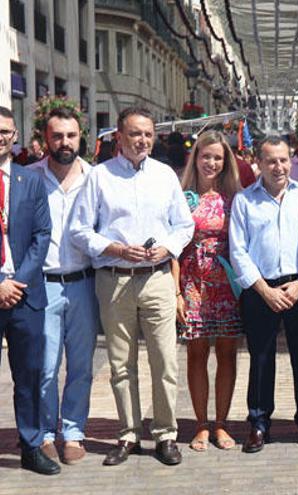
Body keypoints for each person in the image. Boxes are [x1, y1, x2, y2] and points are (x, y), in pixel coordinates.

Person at [69, 107, 194, 467]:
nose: (142, 141)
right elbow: (80, 230)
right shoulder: (100, 177)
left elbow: (183, 225)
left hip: (156, 278)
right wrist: (116, 249)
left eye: (148, 135)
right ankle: (128, 434)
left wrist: (168, 247)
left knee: (165, 361)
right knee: (121, 364)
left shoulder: (165, 175)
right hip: (115, 280)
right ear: (119, 138)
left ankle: (166, 434)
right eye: (135, 134)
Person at [230, 136, 298, 454]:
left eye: (284, 159)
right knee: (260, 358)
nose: (279, 166)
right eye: (271, 160)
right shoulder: (244, 201)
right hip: (261, 288)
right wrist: (263, 290)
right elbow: (238, 252)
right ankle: (258, 423)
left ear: (291, 159)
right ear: (259, 162)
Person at [28, 107, 99, 467]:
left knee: (82, 364)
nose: (65, 143)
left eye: (71, 136)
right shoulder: (29, 178)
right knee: (45, 366)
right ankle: (45, 433)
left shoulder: (96, 177)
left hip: (85, 283)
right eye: (57, 136)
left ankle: (73, 430)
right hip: (44, 285)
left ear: (80, 137)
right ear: (45, 138)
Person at [171, 130, 243, 452]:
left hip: (227, 283)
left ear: (225, 161)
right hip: (193, 282)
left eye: (217, 157)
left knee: (227, 354)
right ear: (195, 158)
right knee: (196, 354)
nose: (211, 162)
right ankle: (201, 424)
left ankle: (222, 424)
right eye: (205, 156)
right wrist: (176, 292)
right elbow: (173, 246)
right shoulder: (181, 195)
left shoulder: (235, 197)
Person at [0, 106, 55, 474]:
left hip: (25, 294)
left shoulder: (30, 180)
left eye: (5, 131)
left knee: (30, 374)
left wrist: (15, 282)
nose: (0, 136)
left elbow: (42, 235)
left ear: (15, 134)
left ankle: (32, 445)